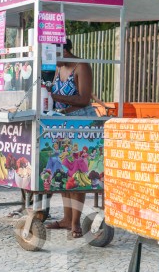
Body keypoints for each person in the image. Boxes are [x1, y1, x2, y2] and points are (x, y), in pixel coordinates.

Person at [45, 38, 96, 239]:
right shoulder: (58, 68)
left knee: (77, 174)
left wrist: (57, 98)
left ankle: (75, 222)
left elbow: (84, 99)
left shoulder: (81, 66)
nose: (51, 61)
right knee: (63, 173)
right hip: (62, 122)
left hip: (81, 125)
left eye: (52, 55)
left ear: (64, 49)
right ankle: (66, 218)